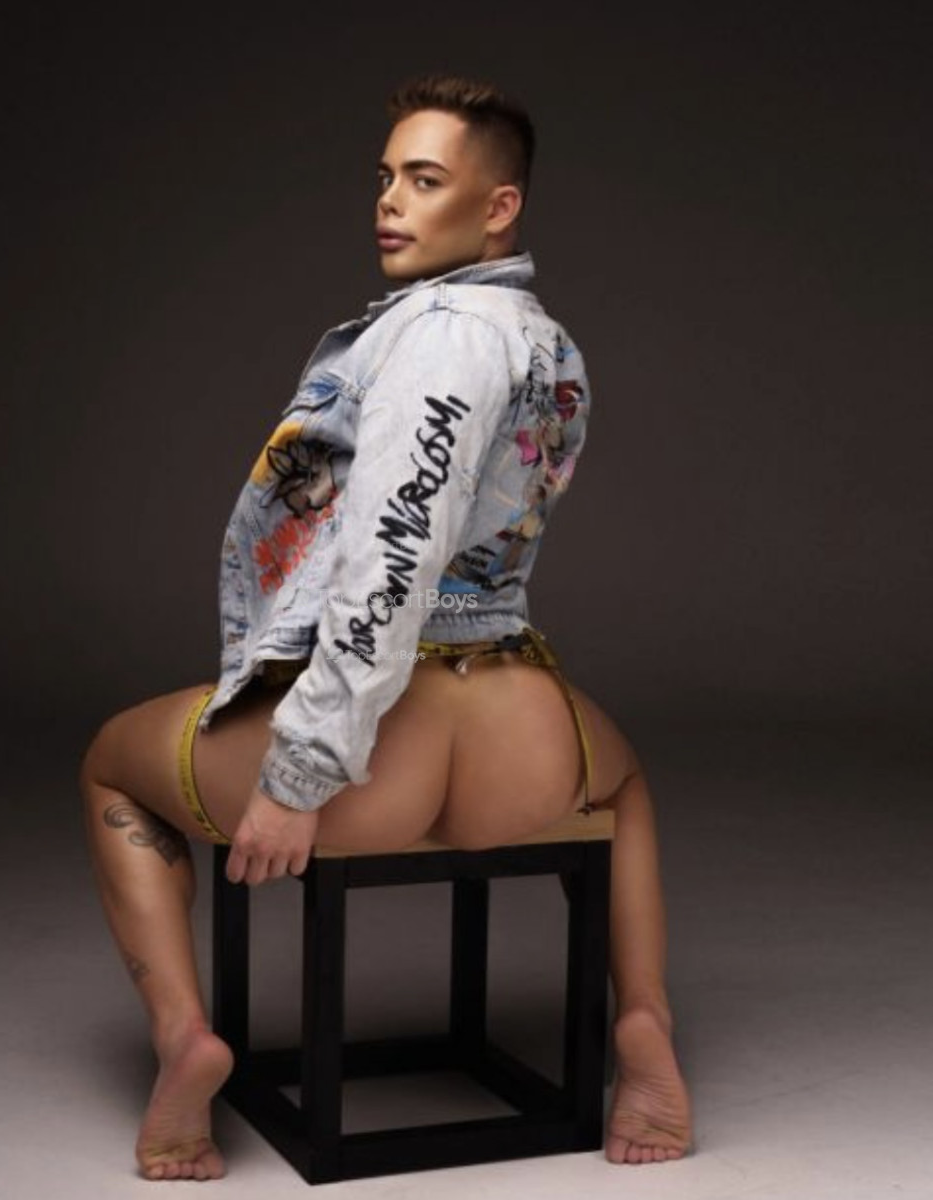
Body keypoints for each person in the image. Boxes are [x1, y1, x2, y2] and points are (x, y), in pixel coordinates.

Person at [79, 72, 692, 1182]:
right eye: (385, 177)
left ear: (498, 206)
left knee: (112, 764)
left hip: (384, 753)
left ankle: (184, 1038)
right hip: (518, 736)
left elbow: (390, 560)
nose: (390, 202)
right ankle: (642, 1019)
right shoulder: (543, 337)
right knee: (624, 789)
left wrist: (299, 773)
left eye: (424, 179)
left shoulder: (440, 337)